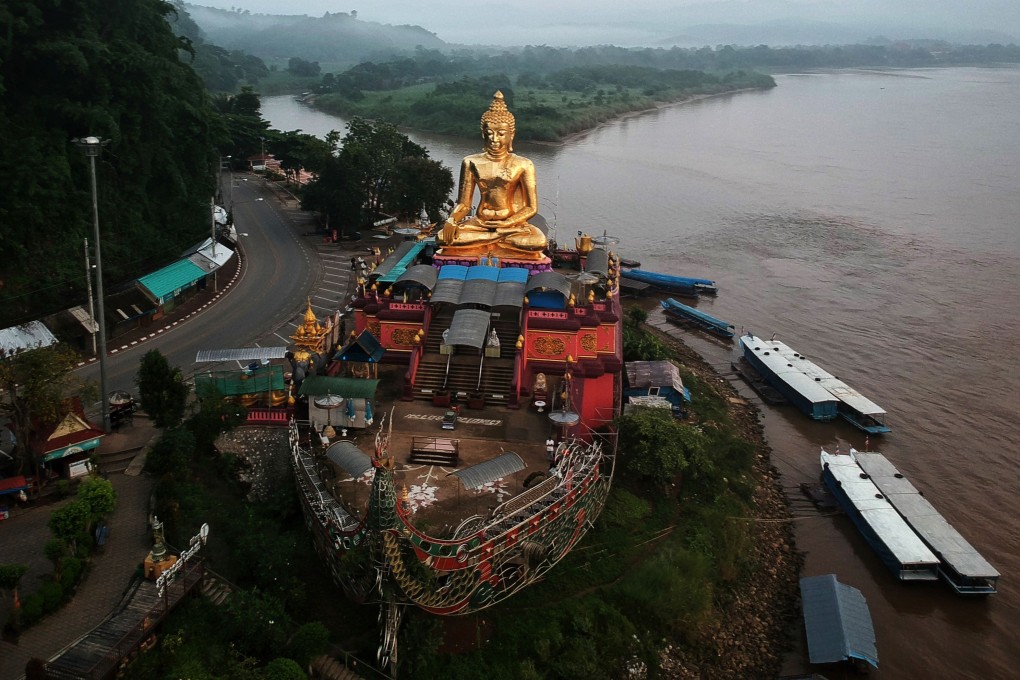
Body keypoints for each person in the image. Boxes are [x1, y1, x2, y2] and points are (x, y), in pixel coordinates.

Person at [437, 91, 547, 260]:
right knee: (443, 237)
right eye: (489, 133)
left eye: (501, 133)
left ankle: (492, 240)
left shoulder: (524, 164)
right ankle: (495, 240)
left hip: (512, 225)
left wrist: (507, 223)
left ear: (512, 135)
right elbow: (464, 204)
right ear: (483, 134)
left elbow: (531, 207)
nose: (494, 139)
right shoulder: (471, 162)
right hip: (479, 223)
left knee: (538, 241)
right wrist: (452, 219)